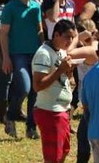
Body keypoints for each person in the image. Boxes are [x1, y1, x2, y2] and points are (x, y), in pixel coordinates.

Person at [0, 0, 43, 139]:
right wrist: (5, 57)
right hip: (18, 54)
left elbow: (39, 30)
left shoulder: (35, 6)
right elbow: (3, 34)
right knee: (25, 87)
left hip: (36, 53)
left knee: (35, 90)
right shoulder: (10, 8)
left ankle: (31, 127)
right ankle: (11, 114)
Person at [31, 19, 77, 163]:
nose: (70, 41)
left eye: (72, 37)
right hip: (50, 112)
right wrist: (60, 70)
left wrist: (68, 72)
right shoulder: (44, 54)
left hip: (61, 110)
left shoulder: (61, 52)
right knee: (53, 158)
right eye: (67, 37)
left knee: (63, 151)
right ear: (56, 35)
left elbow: (62, 77)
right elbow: (37, 85)